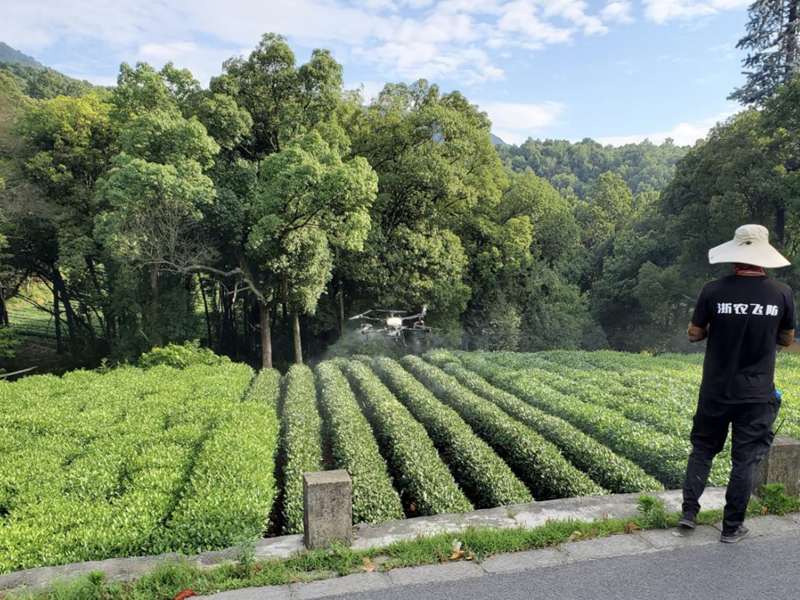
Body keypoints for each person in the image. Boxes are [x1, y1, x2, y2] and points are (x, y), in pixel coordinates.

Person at [681, 224, 796, 543]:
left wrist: (709, 330)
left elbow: (694, 333)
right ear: (763, 258)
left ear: (735, 256)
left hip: (715, 391)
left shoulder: (713, 290)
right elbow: (786, 338)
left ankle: (689, 512)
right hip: (757, 395)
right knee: (744, 460)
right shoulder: (781, 293)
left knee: (703, 449)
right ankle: (732, 528)